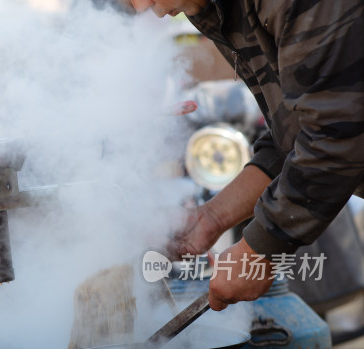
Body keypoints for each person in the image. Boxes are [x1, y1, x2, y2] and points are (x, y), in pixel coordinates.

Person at [124, 0, 364, 312]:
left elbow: (337, 132)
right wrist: (213, 216)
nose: (144, 8)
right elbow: (293, 128)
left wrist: (262, 248)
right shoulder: (210, 8)